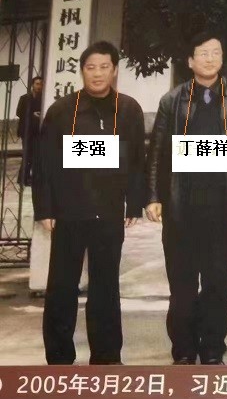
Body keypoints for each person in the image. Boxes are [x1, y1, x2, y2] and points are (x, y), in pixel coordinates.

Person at [145, 31, 227, 365]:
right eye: (202, 53)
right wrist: (153, 195)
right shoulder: (172, 100)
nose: (210, 58)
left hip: (222, 205)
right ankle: (183, 349)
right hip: (180, 205)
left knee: (217, 281)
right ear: (190, 61)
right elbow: (157, 152)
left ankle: (212, 349)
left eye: (215, 52)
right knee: (182, 283)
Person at [33, 41, 145, 365]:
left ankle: (107, 358)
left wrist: (134, 204)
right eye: (91, 67)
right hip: (68, 212)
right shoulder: (61, 110)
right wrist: (45, 208)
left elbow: (137, 160)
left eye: (104, 67)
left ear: (115, 70)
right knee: (61, 287)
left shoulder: (129, 109)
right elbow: (45, 163)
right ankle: (58, 359)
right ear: (82, 71)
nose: (97, 73)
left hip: (108, 213)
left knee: (105, 287)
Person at [16, 76, 43, 186]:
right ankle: (22, 178)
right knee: (27, 154)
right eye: (37, 84)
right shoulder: (25, 98)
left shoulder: (42, 98)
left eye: (41, 84)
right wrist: (32, 114)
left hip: (37, 131)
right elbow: (19, 112)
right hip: (26, 130)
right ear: (32, 85)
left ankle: (28, 177)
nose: (39, 86)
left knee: (34, 155)